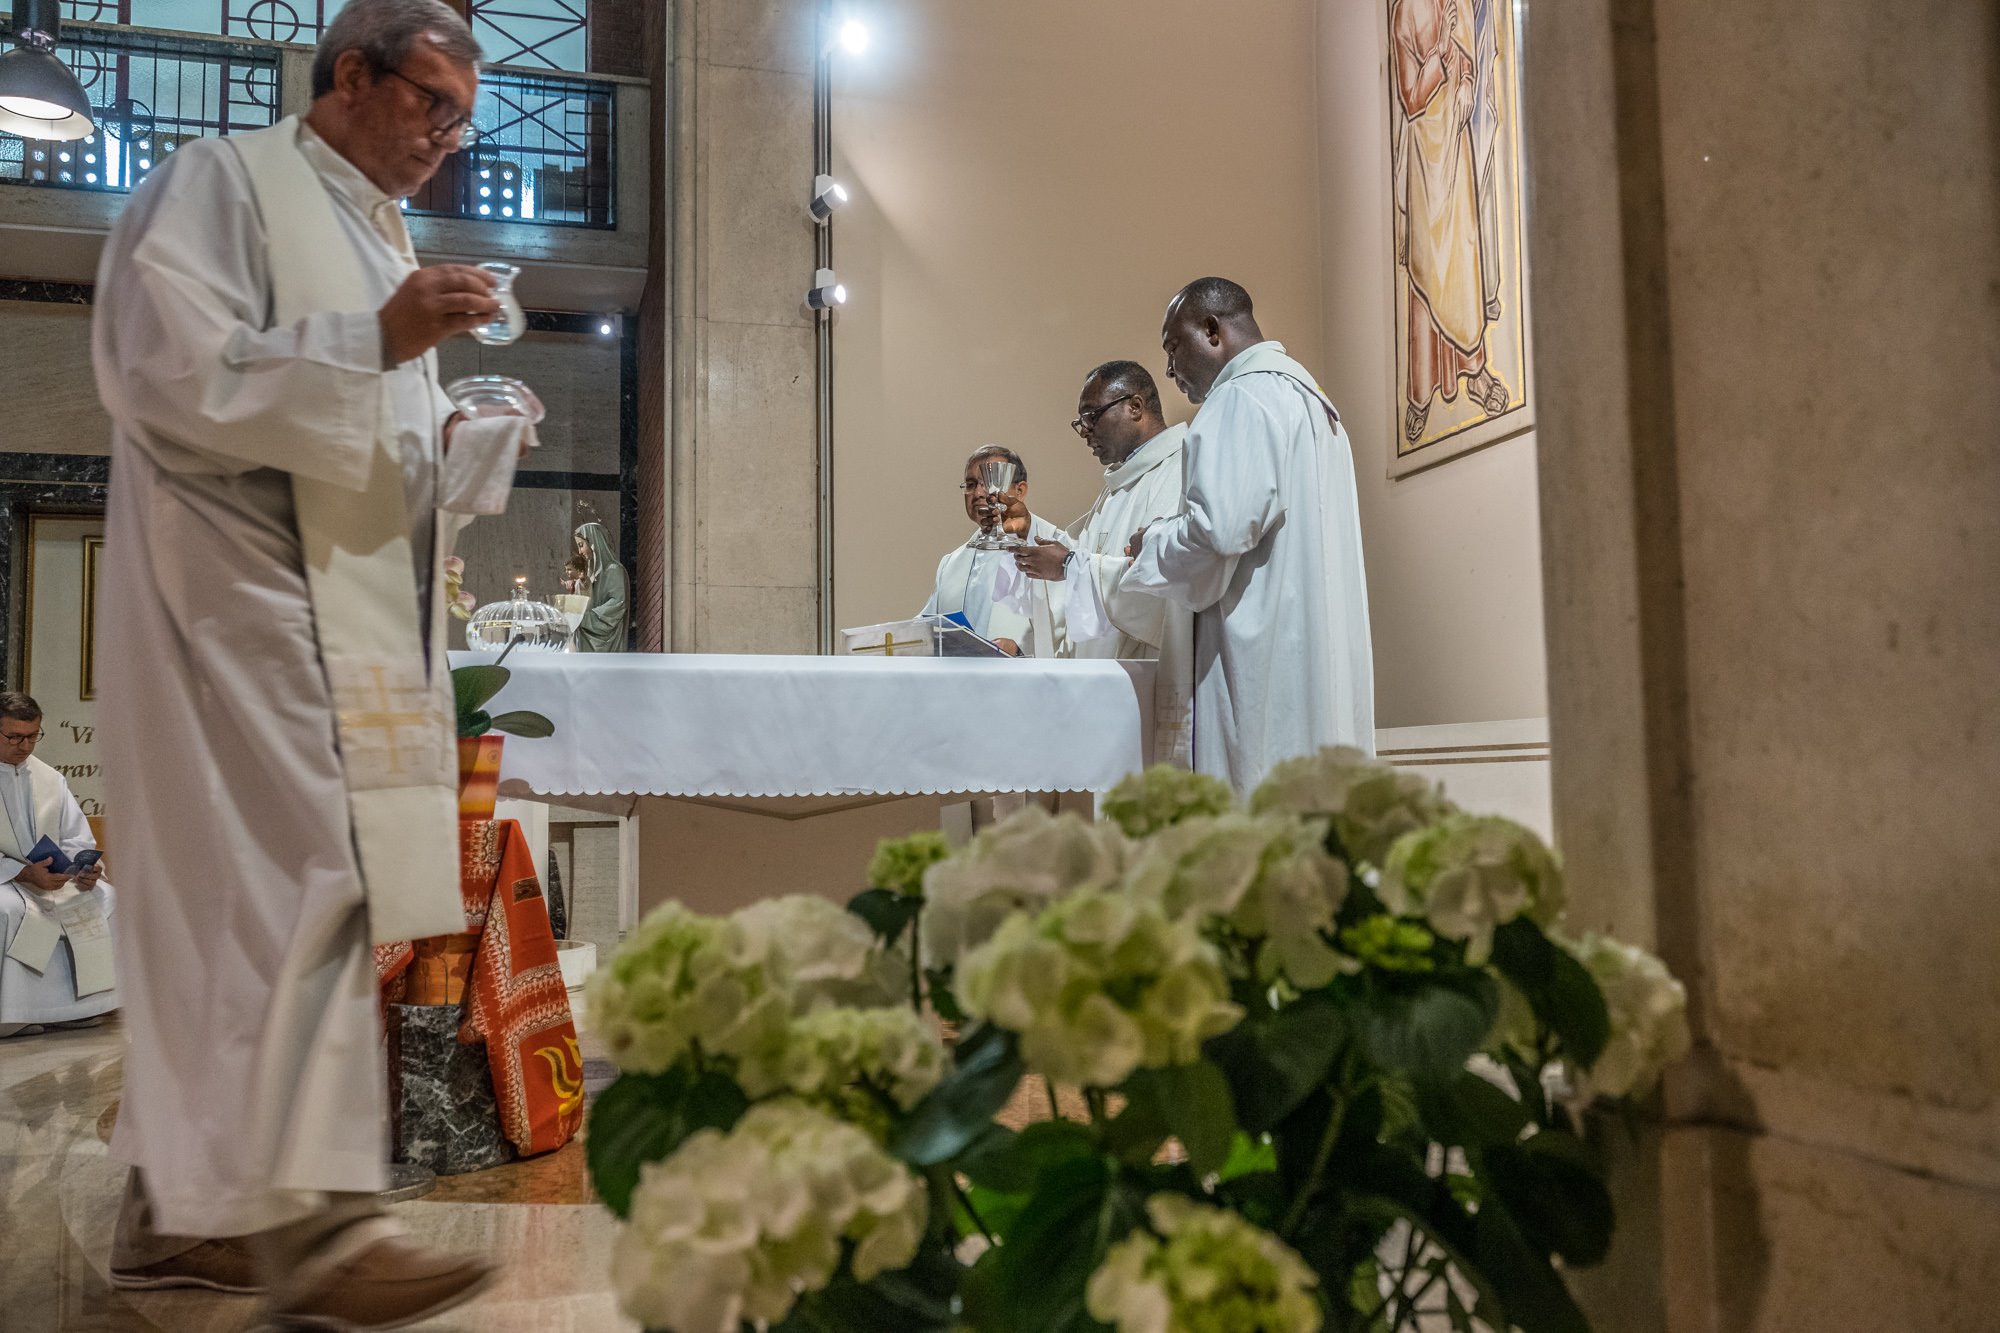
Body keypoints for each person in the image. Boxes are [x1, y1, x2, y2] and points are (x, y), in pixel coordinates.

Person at [92, 1, 532, 1324]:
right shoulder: (220, 185)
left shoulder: (373, 236)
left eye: (462, 120)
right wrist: (376, 342)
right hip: (233, 603)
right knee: (291, 886)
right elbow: (166, 371)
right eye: (431, 103)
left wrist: (460, 432)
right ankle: (314, 1227)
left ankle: (182, 1209)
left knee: (264, 897)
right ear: (350, 72)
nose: (447, 138)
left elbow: (371, 450)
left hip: (334, 614)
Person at [1123, 278, 1375, 793]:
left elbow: (1218, 533)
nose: (1169, 370)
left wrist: (1152, 543)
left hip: (1263, 667)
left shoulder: (1239, 397)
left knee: (1258, 806)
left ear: (1212, 330)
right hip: (1317, 660)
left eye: (1173, 347)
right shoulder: (1312, 402)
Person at [996, 361, 1194, 765]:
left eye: (1091, 416)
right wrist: (1033, 531)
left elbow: (1163, 587)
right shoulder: (1120, 483)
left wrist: (1069, 565)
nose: (1084, 430)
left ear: (1135, 407)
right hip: (1102, 691)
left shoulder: (1181, 470)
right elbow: (1090, 562)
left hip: (1144, 688)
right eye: (1080, 421)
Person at [0, 693, 119, 1037]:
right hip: (8, 880)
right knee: (7, 910)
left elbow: (75, 837)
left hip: (52, 879)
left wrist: (84, 870)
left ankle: (79, 1007)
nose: (25, 746)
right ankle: (14, 1015)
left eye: (32, 736)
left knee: (107, 899)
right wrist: (21, 872)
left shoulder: (49, 779)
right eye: (15, 737)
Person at [919, 446, 1063, 656]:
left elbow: (1074, 630)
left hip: (1024, 674)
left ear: (1020, 491)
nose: (978, 493)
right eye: (971, 484)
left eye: (989, 482)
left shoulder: (1054, 551)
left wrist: (1020, 651)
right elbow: (928, 629)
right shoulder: (951, 563)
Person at [572, 520, 630, 652]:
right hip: (588, 636)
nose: (580, 551)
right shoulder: (591, 574)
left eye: (581, 545)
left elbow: (618, 603)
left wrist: (586, 618)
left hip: (608, 640)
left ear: (593, 542)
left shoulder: (614, 569)